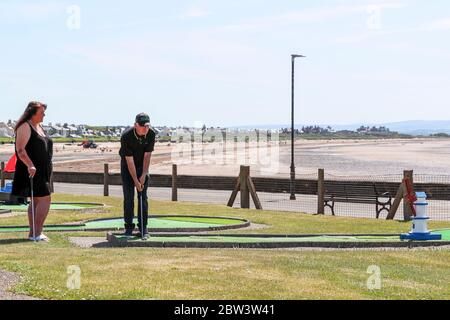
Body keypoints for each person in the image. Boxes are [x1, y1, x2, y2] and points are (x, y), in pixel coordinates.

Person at [12, 102, 53, 241]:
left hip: (43, 170)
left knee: (36, 200)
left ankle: (33, 233)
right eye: (41, 112)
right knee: (45, 199)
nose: (44, 115)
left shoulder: (39, 126)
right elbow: (20, 150)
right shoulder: (25, 126)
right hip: (32, 169)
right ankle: (37, 233)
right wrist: (30, 165)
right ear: (32, 113)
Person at [119, 113, 156, 238]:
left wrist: (144, 175)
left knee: (143, 197)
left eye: (147, 126)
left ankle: (143, 227)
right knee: (129, 197)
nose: (145, 128)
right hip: (127, 167)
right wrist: (135, 180)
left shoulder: (151, 134)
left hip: (142, 166)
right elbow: (129, 160)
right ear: (135, 125)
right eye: (142, 126)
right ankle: (128, 227)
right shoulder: (126, 136)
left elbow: (147, 156)